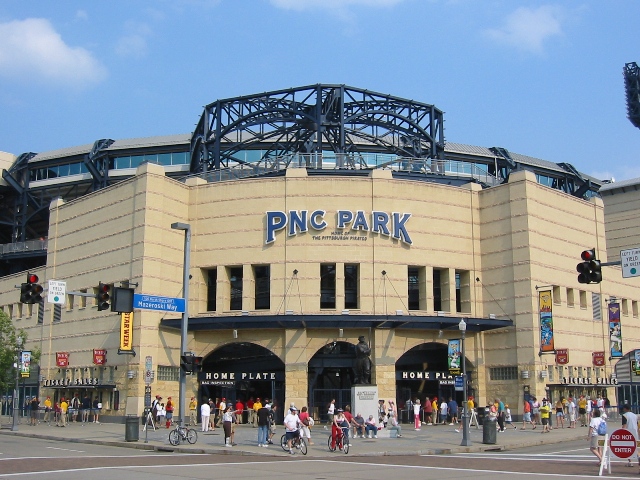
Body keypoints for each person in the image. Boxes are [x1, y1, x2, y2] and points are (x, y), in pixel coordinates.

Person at [621, 404, 640, 471]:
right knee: (635, 448)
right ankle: (638, 458)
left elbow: (624, 425)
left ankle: (630, 461)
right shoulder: (635, 415)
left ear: (625, 409)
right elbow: (637, 425)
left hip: (628, 434)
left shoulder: (625, 415)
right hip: (635, 433)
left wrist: (621, 433)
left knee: (628, 448)